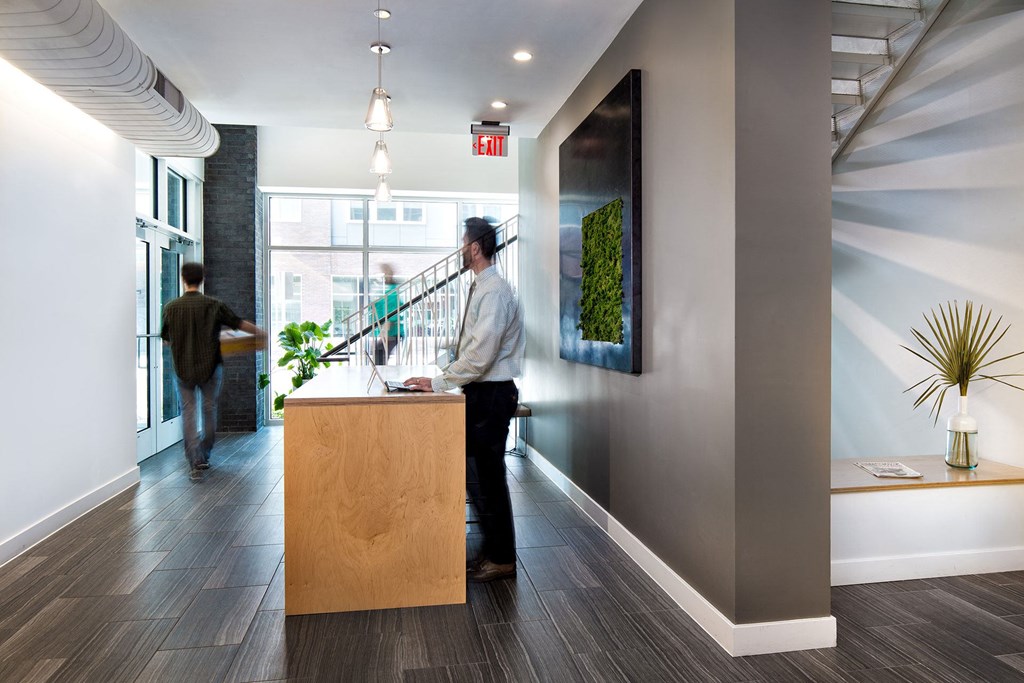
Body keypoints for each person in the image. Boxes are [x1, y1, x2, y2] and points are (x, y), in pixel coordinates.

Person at [404, 218, 525, 582]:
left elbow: (481, 356)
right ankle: (490, 549)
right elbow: (471, 346)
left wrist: (438, 381)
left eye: (463, 243)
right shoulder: (481, 288)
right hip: (481, 392)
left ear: (475, 247)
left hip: (492, 394)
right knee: (477, 476)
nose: (460, 249)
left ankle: (502, 558)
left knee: (488, 478)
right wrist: (446, 359)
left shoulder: (495, 291)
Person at [161, 262, 264, 481]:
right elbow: (238, 323)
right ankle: (205, 454)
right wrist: (260, 333)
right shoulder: (213, 304)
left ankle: (194, 460)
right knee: (209, 410)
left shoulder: (171, 307)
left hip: (183, 368)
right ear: (202, 279)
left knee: (188, 412)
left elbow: (166, 339)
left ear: (183, 279)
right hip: (210, 368)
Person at [371, 263, 403, 365]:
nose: (383, 276)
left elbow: (392, 313)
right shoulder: (385, 289)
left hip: (391, 332)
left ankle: (382, 378)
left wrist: (385, 332)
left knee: (380, 356)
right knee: (379, 355)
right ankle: (380, 378)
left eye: (385, 273)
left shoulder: (392, 290)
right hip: (387, 331)